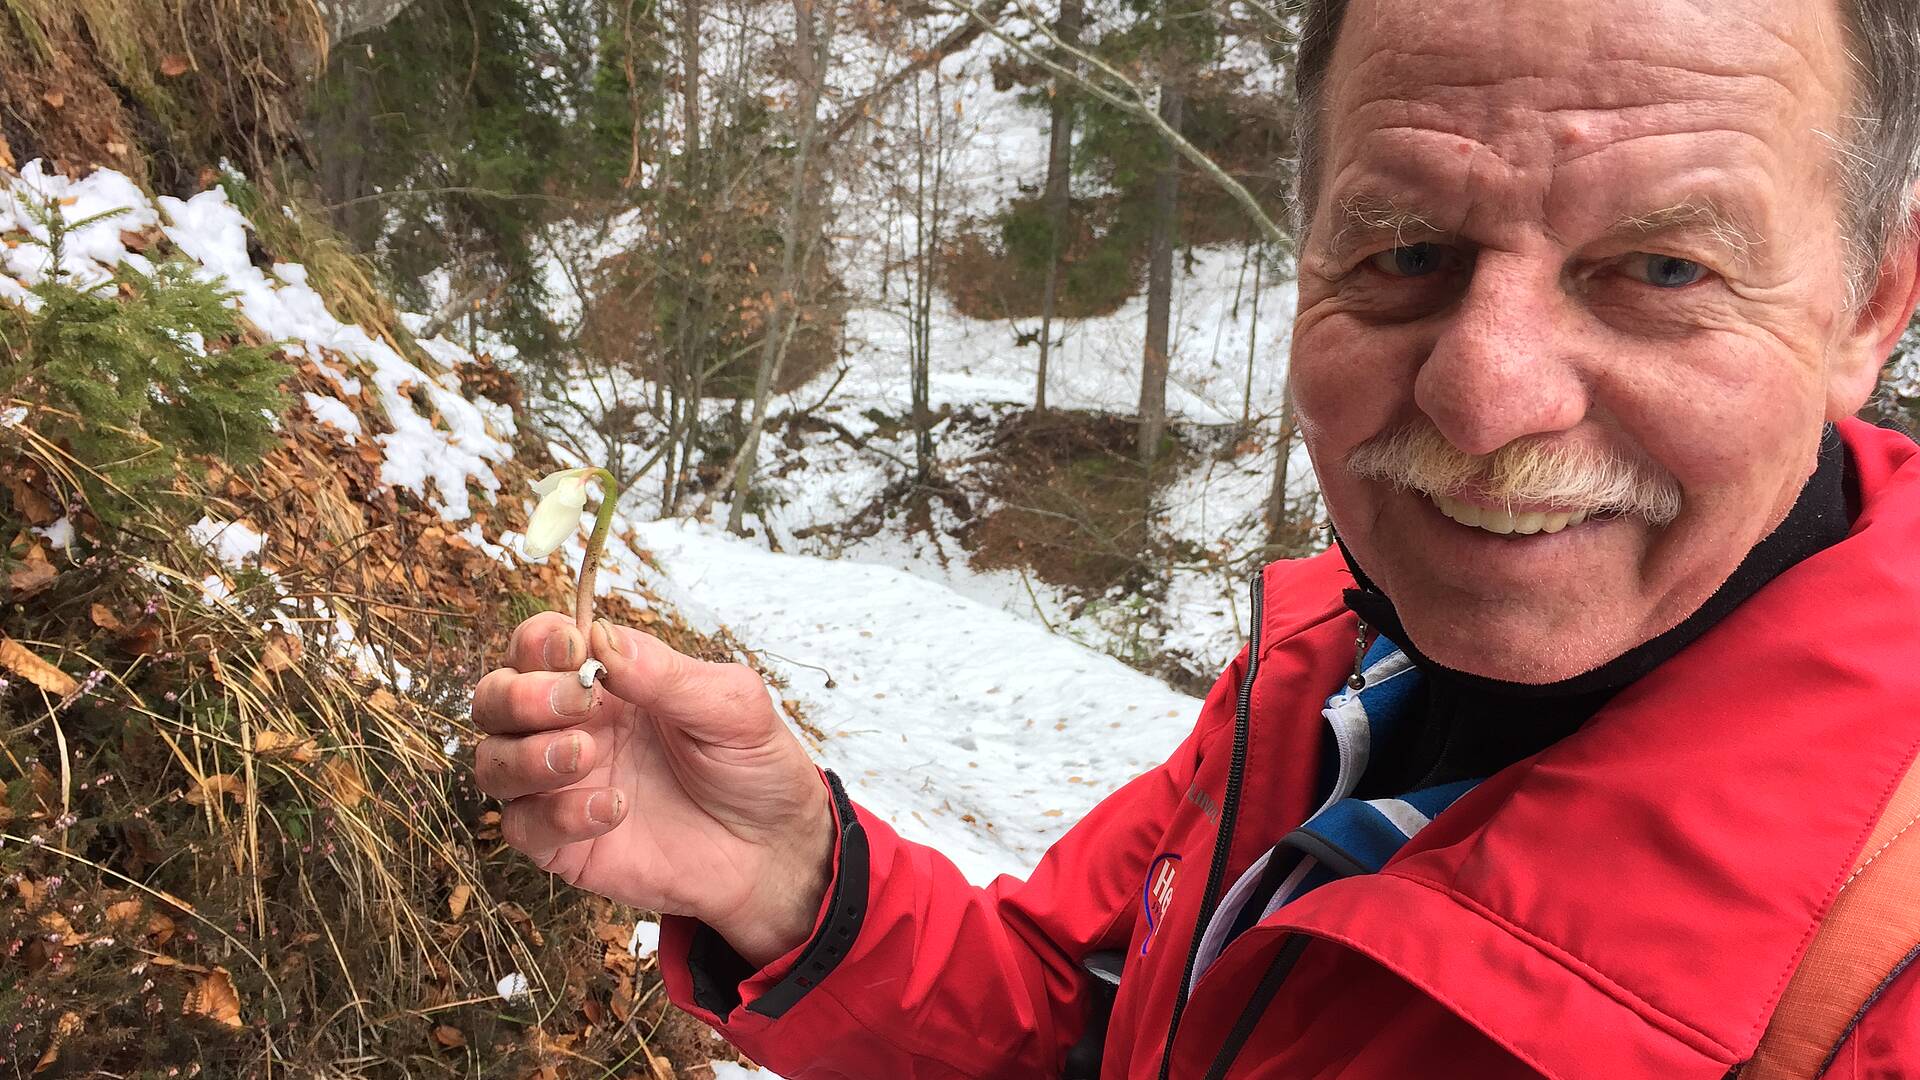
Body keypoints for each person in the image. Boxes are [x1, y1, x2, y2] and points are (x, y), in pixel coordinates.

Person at [470, 0, 1920, 1074]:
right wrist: (794, 881)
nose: (1484, 401)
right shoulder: (1336, 672)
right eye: (1406, 254)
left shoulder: (1878, 988)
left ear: (1870, 307)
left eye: (1663, 268)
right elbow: (1098, 1028)